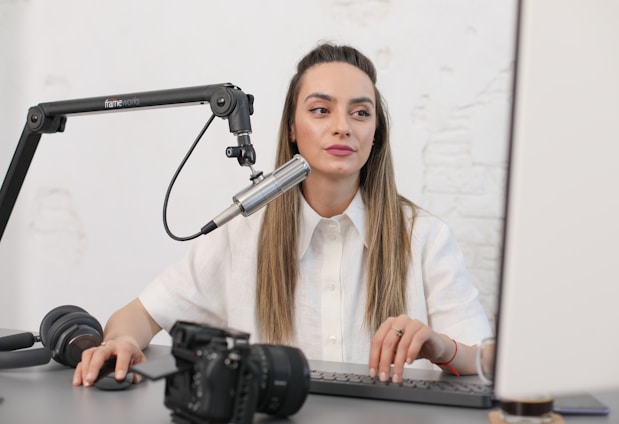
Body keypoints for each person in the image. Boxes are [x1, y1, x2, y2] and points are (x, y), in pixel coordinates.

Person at [73, 42, 492, 387]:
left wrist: (441, 347)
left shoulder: (424, 237)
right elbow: (138, 316)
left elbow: (486, 360)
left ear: (376, 133)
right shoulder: (243, 234)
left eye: (361, 113)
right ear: (292, 129)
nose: (343, 126)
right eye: (321, 110)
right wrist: (122, 341)